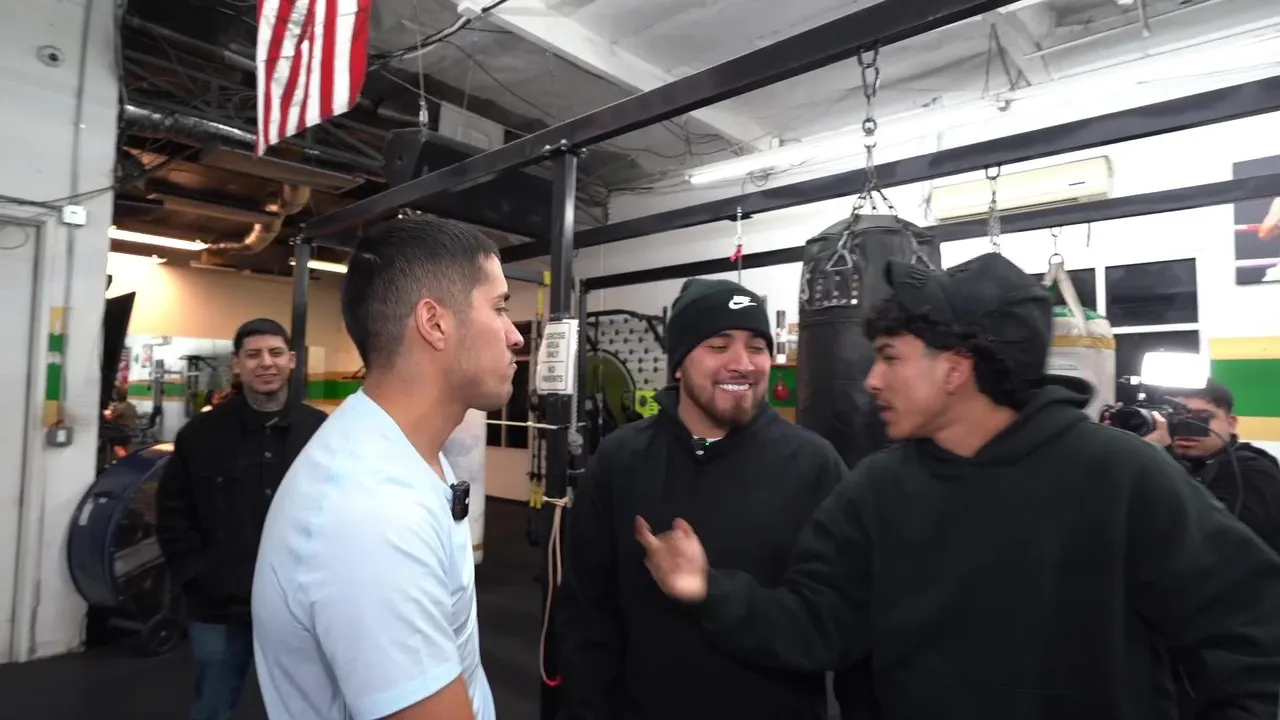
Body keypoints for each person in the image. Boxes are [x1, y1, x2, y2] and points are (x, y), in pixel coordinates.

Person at [636, 253, 1280, 719]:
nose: (871, 380)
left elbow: (1252, 635)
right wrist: (711, 591)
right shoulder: (877, 490)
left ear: (955, 368)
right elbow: (819, 625)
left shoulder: (1120, 475)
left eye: (890, 357)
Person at [252, 215, 522, 720]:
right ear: (434, 323)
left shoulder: (409, 457)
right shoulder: (371, 514)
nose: (515, 337)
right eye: (500, 307)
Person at [558, 279, 850, 720]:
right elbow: (585, 614)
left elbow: (831, 622)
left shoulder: (814, 465)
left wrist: (712, 592)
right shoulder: (621, 459)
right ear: (678, 364)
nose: (743, 364)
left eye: (757, 348)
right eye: (718, 346)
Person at [155, 318, 328, 720]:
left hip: (299, 608)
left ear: (291, 361)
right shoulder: (200, 435)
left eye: (275, 353)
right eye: (253, 355)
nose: (265, 363)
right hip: (219, 608)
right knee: (214, 708)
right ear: (236, 364)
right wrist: (197, 577)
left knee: (309, 710)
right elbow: (173, 514)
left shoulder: (320, 432)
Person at [1138, 379, 1280, 552]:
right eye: (1175, 418)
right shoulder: (1160, 458)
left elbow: (1219, 540)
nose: (1186, 427)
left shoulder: (1254, 470)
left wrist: (1157, 457)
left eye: (1201, 418)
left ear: (1231, 423)